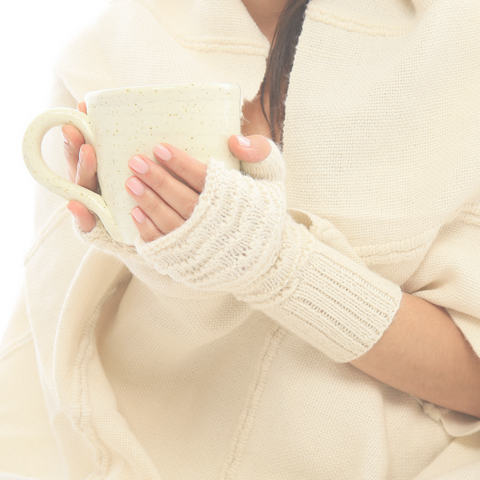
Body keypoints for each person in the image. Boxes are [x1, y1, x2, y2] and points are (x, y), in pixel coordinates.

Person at [1, 0, 479, 478]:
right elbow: (60, 354)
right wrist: (140, 239)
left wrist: (277, 263)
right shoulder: (105, 54)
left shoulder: (457, 40)